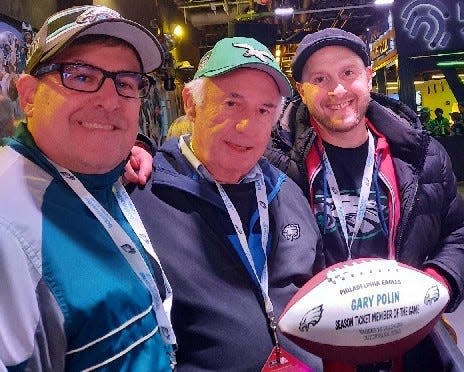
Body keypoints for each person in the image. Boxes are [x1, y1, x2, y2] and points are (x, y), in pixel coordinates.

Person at [265, 27, 464, 371]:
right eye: (320, 78)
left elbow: (458, 231)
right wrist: (141, 153)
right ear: (301, 90)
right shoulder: (273, 165)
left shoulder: (421, 157)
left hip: (407, 344)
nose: (338, 89)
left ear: (369, 77)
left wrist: (439, 280)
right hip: (316, 354)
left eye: (348, 73)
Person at [129, 37, 324, 371]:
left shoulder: (287, 193)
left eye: (264, 110)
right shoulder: (142, 197)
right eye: (232, 104)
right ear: (191, 104)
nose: (247, 126)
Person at [0, 5, 177, 371]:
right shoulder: (9, 228)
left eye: (126, 83)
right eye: (80, 76)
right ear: (29, 95)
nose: (111, 100)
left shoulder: (99, 180)